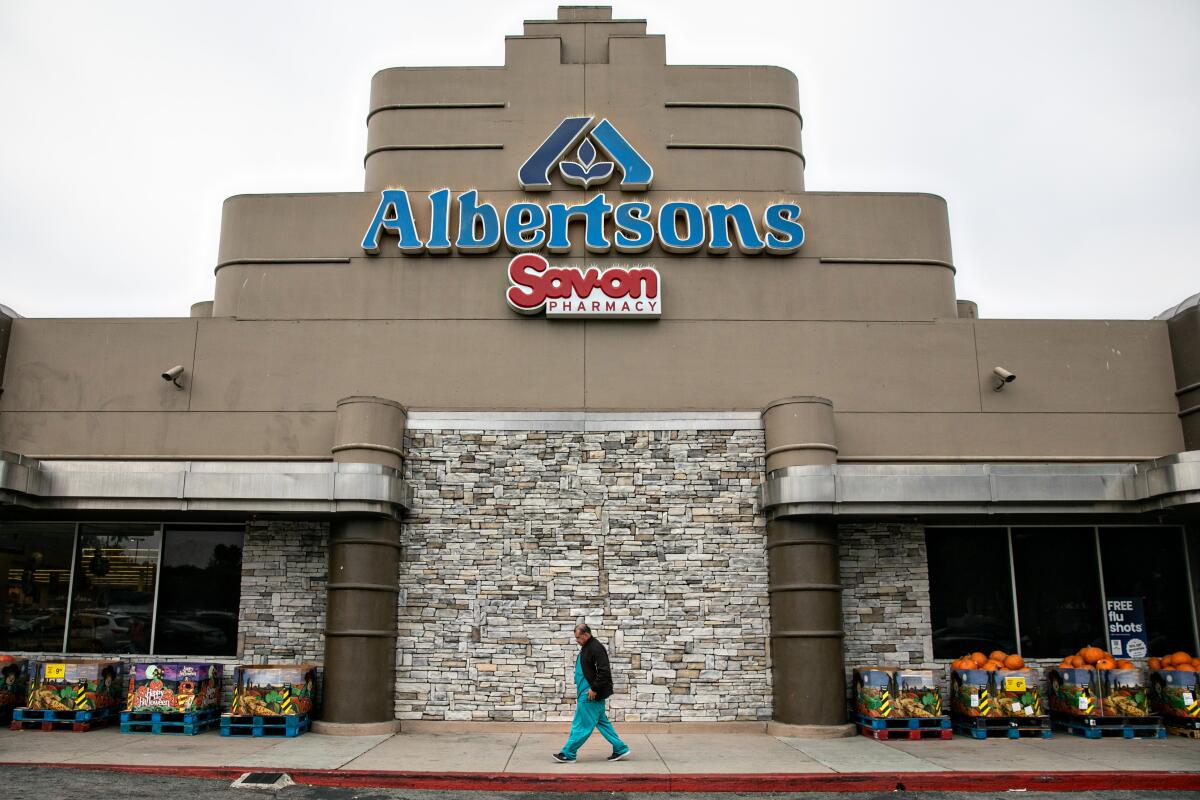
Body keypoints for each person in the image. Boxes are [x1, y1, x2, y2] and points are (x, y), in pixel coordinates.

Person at [552, 623, 630, 763]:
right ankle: (620, 748)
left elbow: (604, 671)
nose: (576, 640)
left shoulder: (595, 648)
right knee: (602, 723)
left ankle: (568, 753)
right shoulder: (587, 647)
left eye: (578, 637)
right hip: (587, 693)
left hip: (589, 695)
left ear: (586, 635)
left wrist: (594, 689)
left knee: (581, 725)